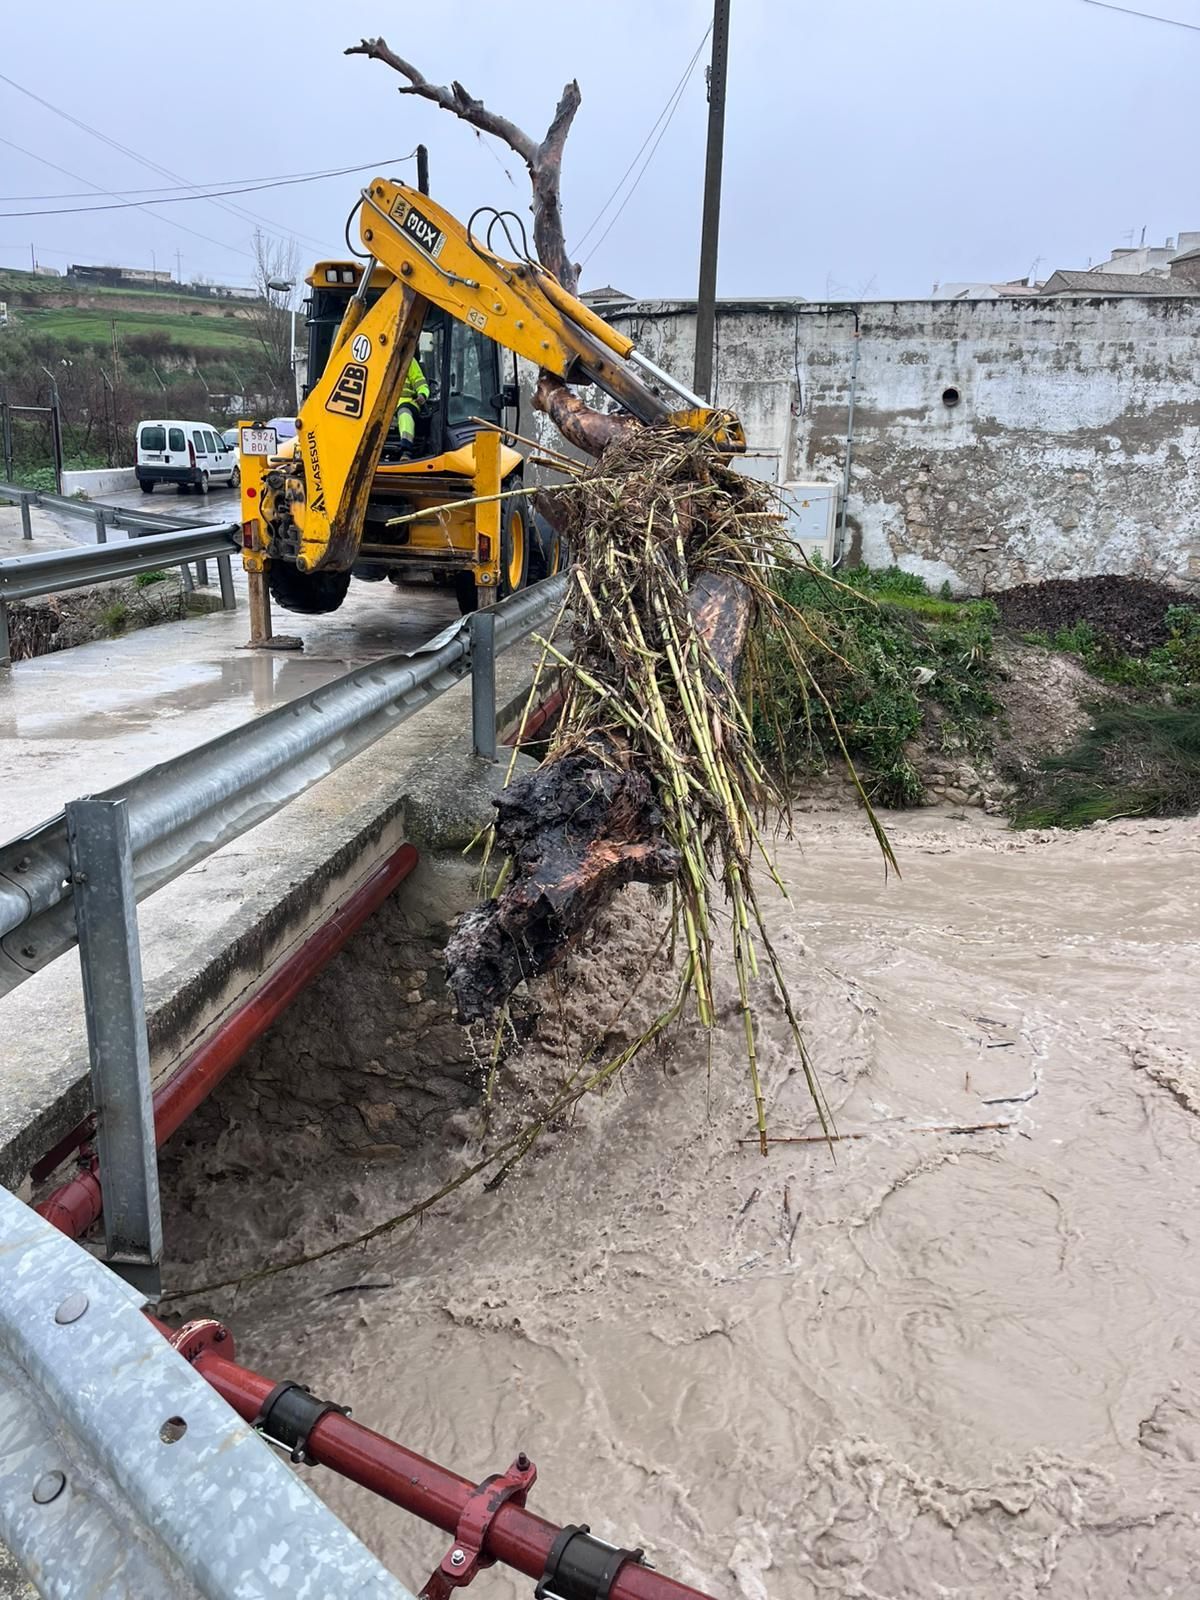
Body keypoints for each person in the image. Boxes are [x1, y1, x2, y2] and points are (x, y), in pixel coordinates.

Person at [395, 357, 430, 458]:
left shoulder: (409, 360)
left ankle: (406, 449)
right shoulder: (379, 361)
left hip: (407, 401)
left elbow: (420, 383)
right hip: (385, 405)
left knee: (404, 413)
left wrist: (422, 394)